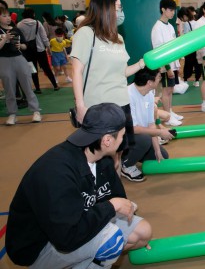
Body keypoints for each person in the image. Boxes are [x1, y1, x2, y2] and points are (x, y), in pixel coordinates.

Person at [5, 103, 152, 268]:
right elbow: (66, 238)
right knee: (111, 240)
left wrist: (117, 205)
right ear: (107, 140)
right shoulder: (57, 172)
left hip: (76, 224)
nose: (124, 140)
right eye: (122, 135)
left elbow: (117, 198)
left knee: (142, 232)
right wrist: (112, 207)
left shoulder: (101, 159)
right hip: (42, 245)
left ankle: (89, 257)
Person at [71, 0, 146, 172]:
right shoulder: (86, 34)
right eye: (118, 8)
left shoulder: (118, 38)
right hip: (98, 107)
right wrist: (81, 106)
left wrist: (142, 64)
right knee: (98, 156)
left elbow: (123, 72)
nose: (121, 12)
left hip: (122, 104)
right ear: (106, 9)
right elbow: (76, 71)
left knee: (118, 153)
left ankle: (116, 189)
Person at [122, 68, 173, 182]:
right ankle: (125, 165)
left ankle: (136, 154)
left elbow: (151, 124)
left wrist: (157, 150)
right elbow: (134, 129)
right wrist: (160, 132)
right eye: (159, 77)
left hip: (139, 137)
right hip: (125, 137)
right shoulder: (128, 95)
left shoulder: (149, 94)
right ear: (150, 82)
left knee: (163, 156)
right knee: (144, 140)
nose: (160, 78)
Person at [0, 7, 41, 125]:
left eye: (8, 15)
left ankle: (35, 111)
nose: (7, 18)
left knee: (27, 85)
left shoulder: (16, 30)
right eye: (4, 16)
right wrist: (5, 39)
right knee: (9, 88)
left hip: (19, 59)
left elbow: (25, 45)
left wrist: (20, 46)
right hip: (3, 61)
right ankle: (12, 114)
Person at [151, 0, 183, 126]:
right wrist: (168, 68)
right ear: (163, 9)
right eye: (170, 10)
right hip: (165, 66)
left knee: (170, 89)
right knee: (165, 90)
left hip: (173, 64)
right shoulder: (157, 28)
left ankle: (169, 111)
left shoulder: (170, 26)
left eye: (174, 10)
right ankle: (167, 117)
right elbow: (160, 50)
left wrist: (177, 64)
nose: (173, 13)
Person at [17, 7, 60, 93]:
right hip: (40, 49)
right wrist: (48, 47)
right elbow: (44, 37)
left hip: (27, 50)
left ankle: (37, 88)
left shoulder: (19, 25)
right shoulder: (37, 23)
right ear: (33, 14)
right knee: (46, 68)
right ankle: (55, 85)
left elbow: (19, 38)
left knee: (33, 69)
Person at [178, 7, 202, 86]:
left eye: (181, 18)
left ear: (184, 15)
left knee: (188, 64)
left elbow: (186, 36)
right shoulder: (196, 22)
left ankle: (185, 80)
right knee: (197, 64)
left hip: (190, 47)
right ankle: (197, 80)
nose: (182, 20)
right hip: (198, 47)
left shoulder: (186, 24)